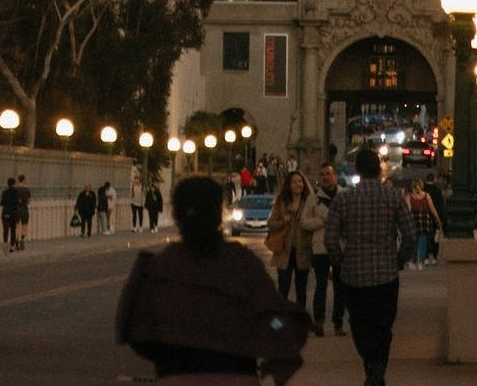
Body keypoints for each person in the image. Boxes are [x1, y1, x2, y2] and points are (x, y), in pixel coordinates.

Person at [116, 174, 310, 384]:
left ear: (176, 216)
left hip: (176, 375)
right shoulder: (242, 263)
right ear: (219, 213)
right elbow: (271, 317)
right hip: (237, 375)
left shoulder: (160, 266)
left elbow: (137, 330)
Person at [324, 145, 416, 386]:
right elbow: (410, 236)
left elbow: (330, 239)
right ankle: (377, 369)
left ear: (357, 170)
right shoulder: (394, 197)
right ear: (379, 170)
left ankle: (372, 367)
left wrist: (340, 261)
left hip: (354, 276)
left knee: (359, 323)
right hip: (386, 275)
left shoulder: (344, 200)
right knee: (383, 326)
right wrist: (398, 260)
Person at [266, 169, 321, 312]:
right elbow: (271, 224)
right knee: (283, 289)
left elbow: (317, 222)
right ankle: (282, 322)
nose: (298, 184)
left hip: (303, 251)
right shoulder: (282, 203)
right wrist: (283, 221)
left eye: (300, 181)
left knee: (301, 290)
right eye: (294, 182)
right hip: (284, 251)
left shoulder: (310, 202)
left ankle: (299, 322)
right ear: (289, 185)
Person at [311, 161, 346, 338]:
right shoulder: (313, 198)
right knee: (321, 286)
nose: (325, 177)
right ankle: (319, 321)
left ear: (335, 176)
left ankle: (338, 323)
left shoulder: (344, 196)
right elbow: (304, 222)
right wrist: (324, 222)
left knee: (341, 287)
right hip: (320, 247)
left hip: (340, 248)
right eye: (322, 174)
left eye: (328, 173)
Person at [407, 178, 438, 269]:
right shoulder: (426, 196)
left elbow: (408, 210)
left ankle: (413, 261)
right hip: (424, 220)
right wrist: (438, 220)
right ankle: (421, 261)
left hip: (414, 220)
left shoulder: (410, 197)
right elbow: (432, 209)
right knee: (423, 241)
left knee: (414, 241)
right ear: (421, 186)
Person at [0, 176, 21, 253]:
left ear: (8, 184)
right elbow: (18, 202)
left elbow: (1, 203)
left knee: (5, 229)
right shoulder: (16, 192)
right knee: (13, 230)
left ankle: (5, 243)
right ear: (14, 184)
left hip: (5, 213)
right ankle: (12, 246)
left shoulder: (4, 192)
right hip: (13, 213)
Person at [14, 173, 31, 250]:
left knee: (16, 226)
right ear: (24, 180)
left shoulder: (15, 189)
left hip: (16, 209)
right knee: (24, 226)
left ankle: (16, 241)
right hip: (24, 209)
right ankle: (22, 240)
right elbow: (29, 201)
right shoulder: (27, 190)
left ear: (18, 180)